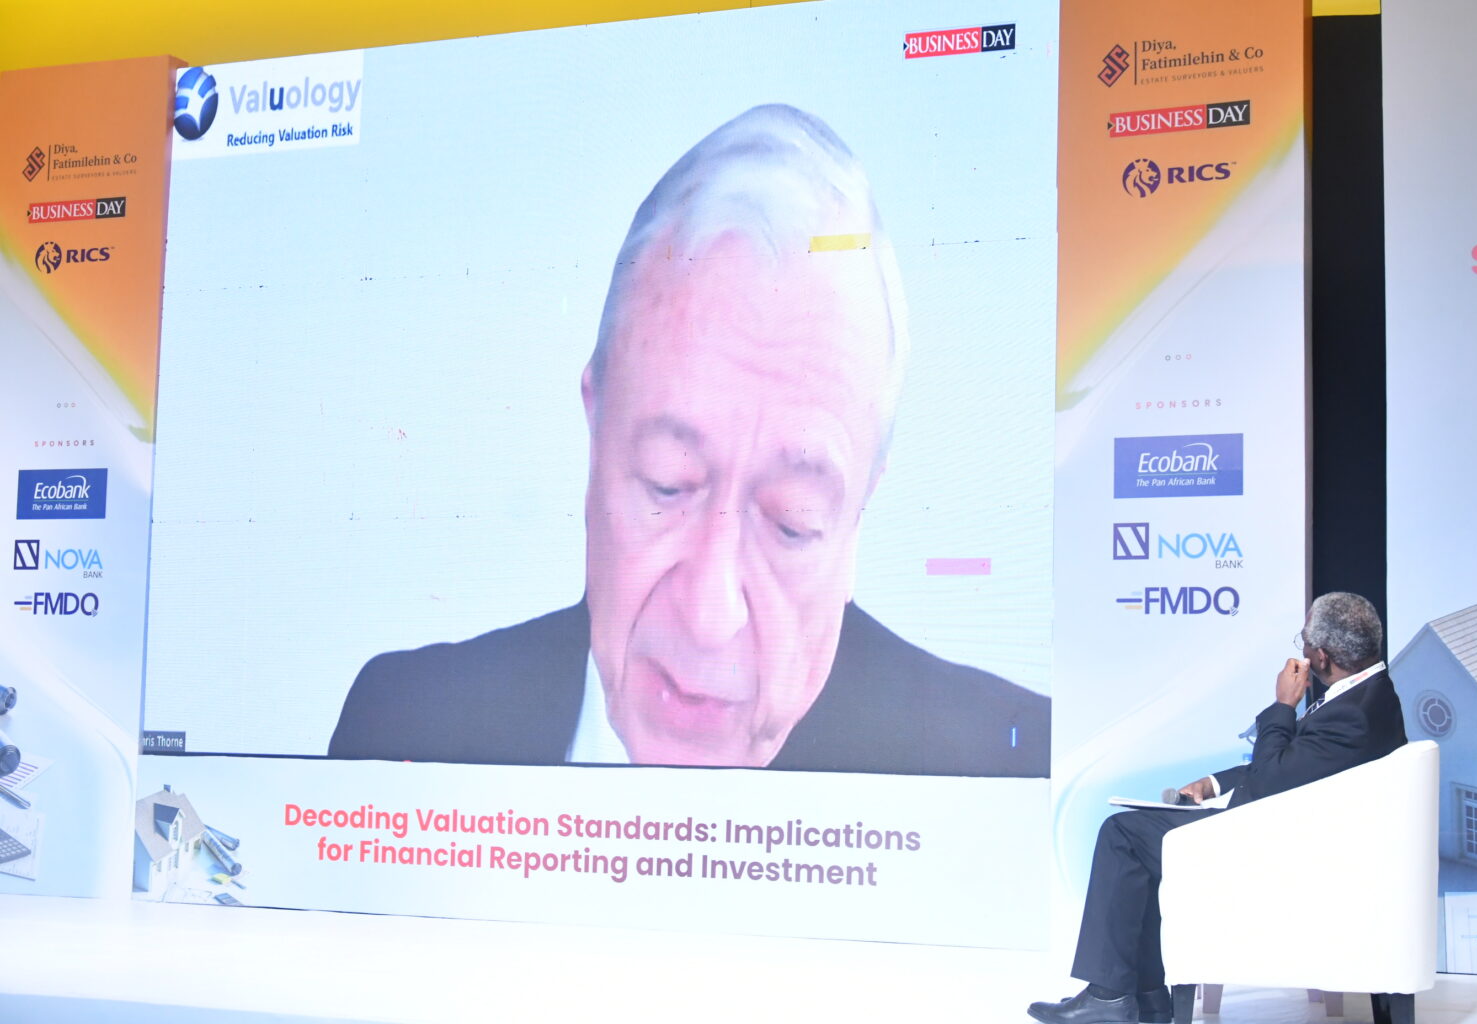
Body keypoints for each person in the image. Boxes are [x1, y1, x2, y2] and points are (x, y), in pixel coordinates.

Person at [328, 104, 1049, 776]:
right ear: (595, 427)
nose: (709, 615)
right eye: (666, 485)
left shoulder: (995, 765)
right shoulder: (404, 726)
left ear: (859, 509)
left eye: (793, 523)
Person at [1028, 592, 1406, 1024]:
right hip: (1295, 833)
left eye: (1303, 639)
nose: (1300, 648)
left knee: (1123, 834)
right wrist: (1213, 784)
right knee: (1137, 836)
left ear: (1320, 655)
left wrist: (1283, 705)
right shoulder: (1373, 696)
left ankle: (1113, 997)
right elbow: (1298, 766)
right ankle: (1144, 999)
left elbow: (1271, 782)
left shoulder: (1352, 714)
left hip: (1280, 852)